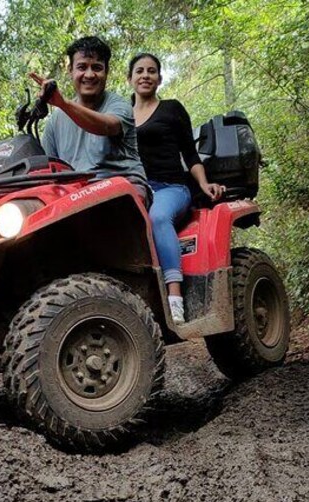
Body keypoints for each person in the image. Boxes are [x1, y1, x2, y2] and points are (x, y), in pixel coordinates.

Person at [129, 53, 224, 324]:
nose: (145, 75)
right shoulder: (122, 114)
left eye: (151, 71)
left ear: (159, 78)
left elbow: (190, 155)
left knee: (158, 217)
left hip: (171, 188)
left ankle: (175, 297)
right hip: (138, 189)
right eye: (139, 71)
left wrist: (204, 184)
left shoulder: (171, 109)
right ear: (130, 78)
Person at [30, 36, 149, 201]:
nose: (89, 74)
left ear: (106, 72)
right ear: (70, 70)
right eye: (82, 67)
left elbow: (108, 126)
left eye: (97, 68)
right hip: (76, 195)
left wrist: (63, 104)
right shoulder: (55, 121)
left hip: (123, 186)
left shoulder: (119, 105)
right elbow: (49, 169)